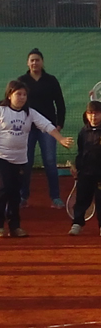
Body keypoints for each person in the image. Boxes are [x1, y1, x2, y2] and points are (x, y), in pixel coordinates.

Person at [0, 80, 73, 238]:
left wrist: (60, 139)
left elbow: (47, 125)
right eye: (18, 94)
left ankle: (15, 227)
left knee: (15, 193)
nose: (22, 97)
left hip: (20, 159)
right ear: (10, 95)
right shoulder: (0, 111)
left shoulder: (30, 113)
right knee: (4, 189)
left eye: (24, 94)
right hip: (0, 157)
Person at [18, 48, 66, 208]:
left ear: (42, 62)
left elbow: (60, 103)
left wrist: (59, 124)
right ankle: (22, 197)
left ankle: (56, 198)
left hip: (48, 128)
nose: (34, 63)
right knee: (26, 162)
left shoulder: (51, 80)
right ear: (27, 63)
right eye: (31, 60)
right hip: (27, 128)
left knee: (50, 161)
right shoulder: (22, 81)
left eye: (37, 60)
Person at [68, 100, 101, 236]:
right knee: (82, 199)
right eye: (90, 113)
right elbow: (81, 151)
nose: (94, 116)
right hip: (85, 173)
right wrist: (77, 168)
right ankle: (77, 223)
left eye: (97, 113)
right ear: (86, 115)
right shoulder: (83, 132)